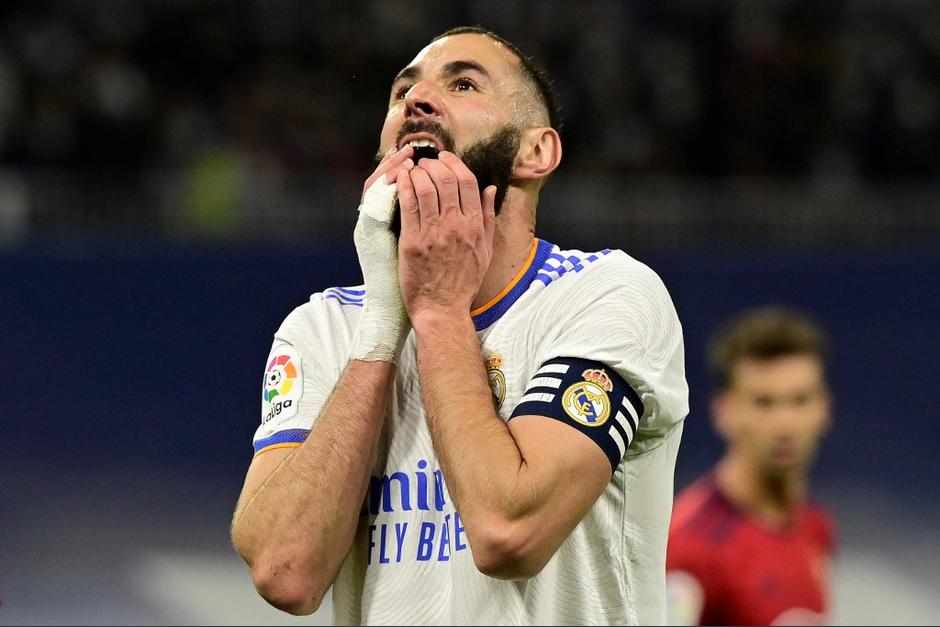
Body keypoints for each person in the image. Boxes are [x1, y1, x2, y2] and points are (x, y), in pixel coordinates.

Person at [231, 26, 688, 625]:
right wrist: (384, 324)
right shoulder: (322, 327)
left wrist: (441, 310)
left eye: (463, 83)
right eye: (402, 93)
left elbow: (507, 532)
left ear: (536, 153)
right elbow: (285, 572)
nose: (416, 101)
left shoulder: (605, 296)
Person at [666, 307, 837, 626]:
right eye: (764, 402)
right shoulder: (689, 548)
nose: (785, 423)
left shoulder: (817, 527)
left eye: (800, 400)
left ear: (824, 408)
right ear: (724, 412)